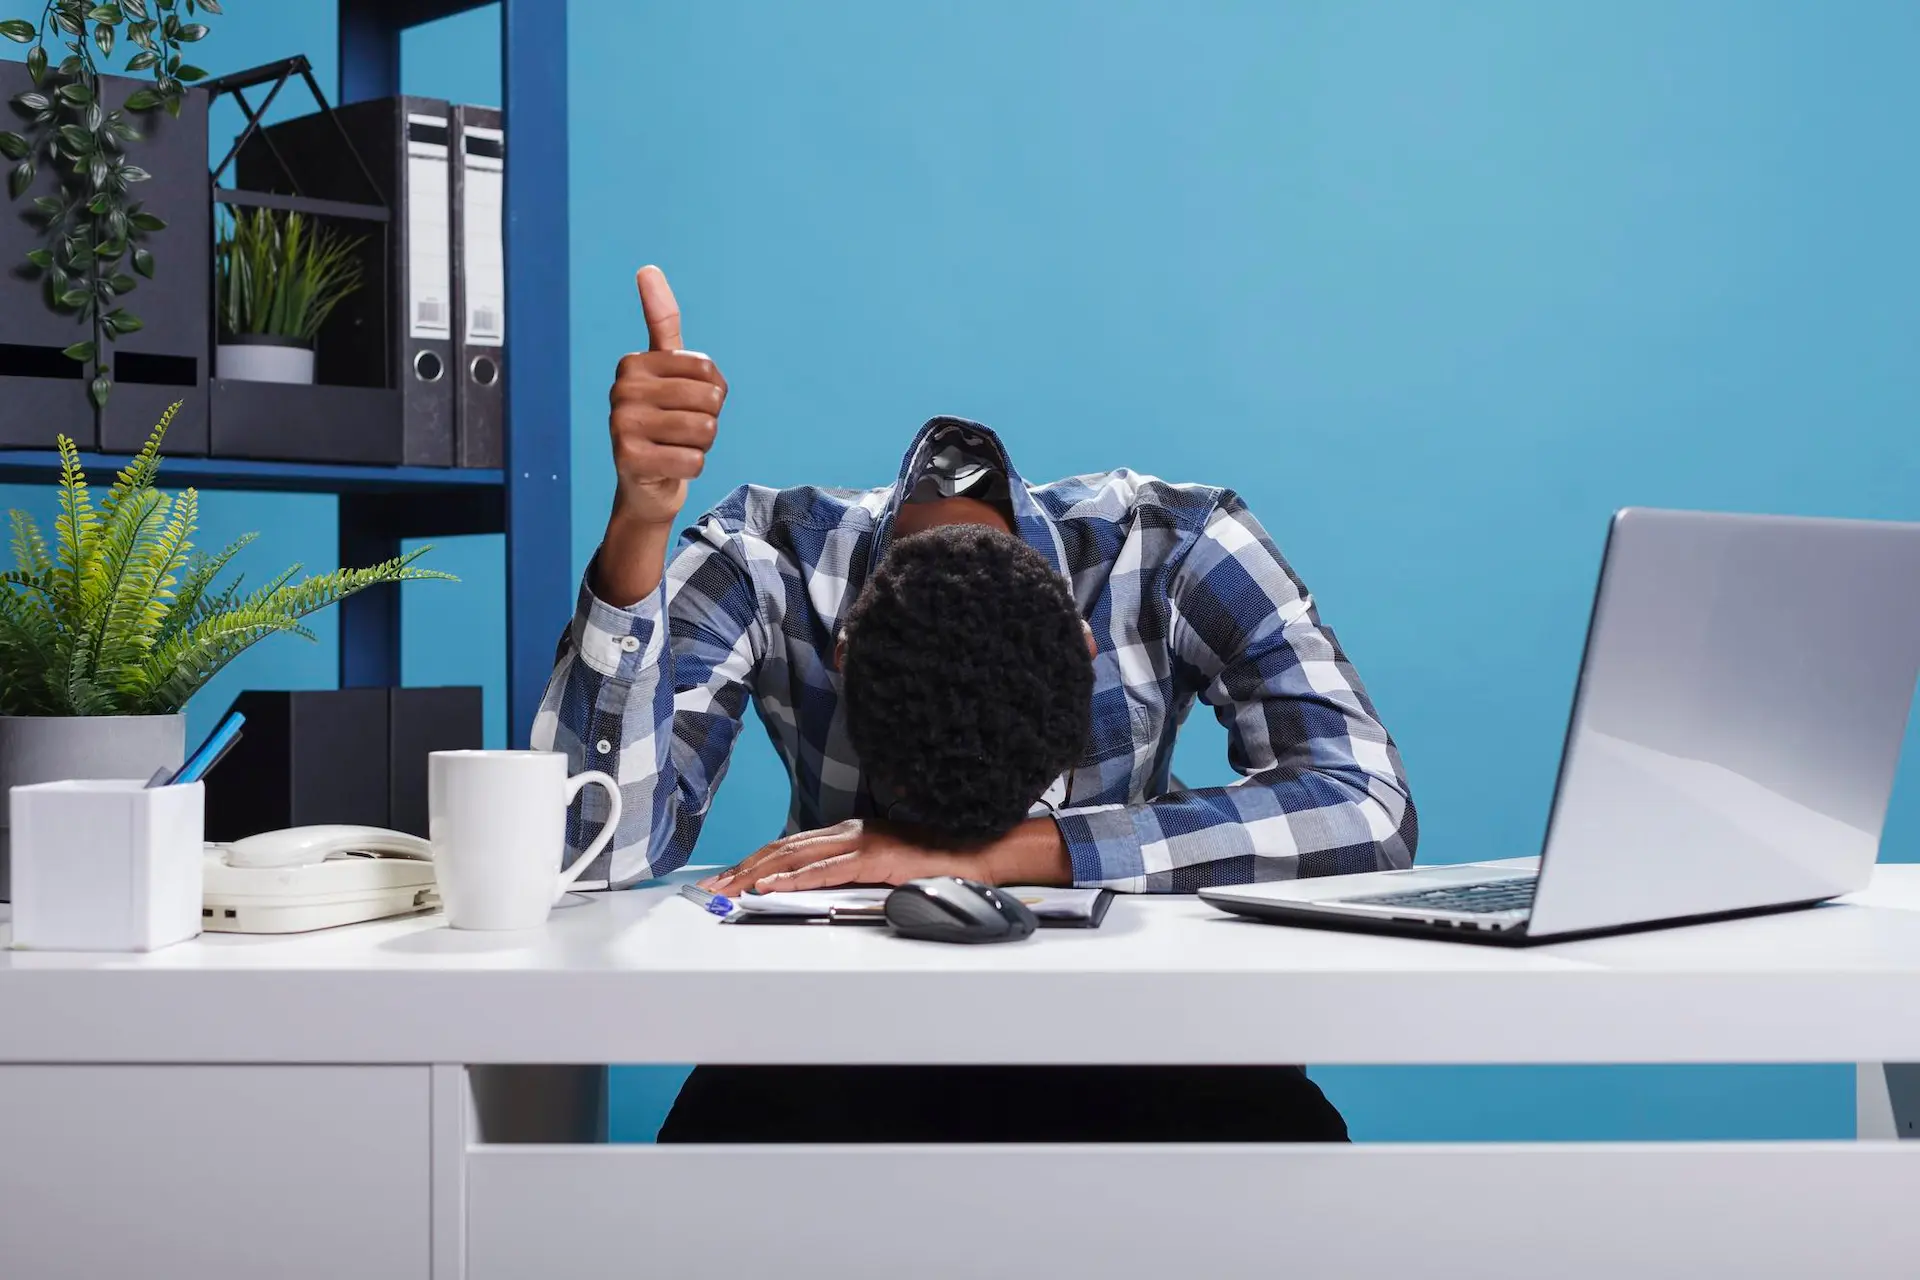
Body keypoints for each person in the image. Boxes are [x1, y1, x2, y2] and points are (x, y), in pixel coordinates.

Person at [533, 266, 1418, 1142]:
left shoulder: (1175, 545)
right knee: (708, 1163)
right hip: (846, 1044)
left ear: (1083, 643)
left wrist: (1012, 854)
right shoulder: (765, 560)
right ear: (846, 650)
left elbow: (1367, 805)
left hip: (1135, 1035)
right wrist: (639, 527)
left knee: (1286, 1145)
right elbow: (593, 852)